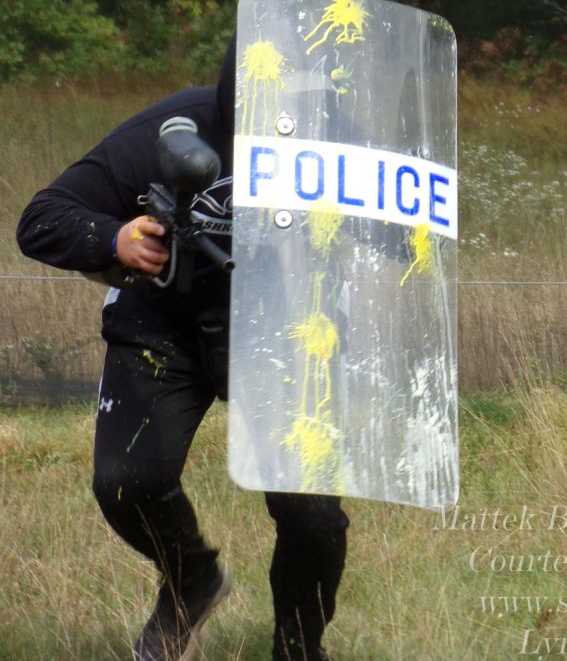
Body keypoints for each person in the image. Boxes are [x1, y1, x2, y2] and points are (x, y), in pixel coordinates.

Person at [15, 37, 346, 661]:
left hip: (286, 328)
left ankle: (300, 649)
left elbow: (408, 227)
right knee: (126, 483)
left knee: (313, 515)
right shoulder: (168, 132)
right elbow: (42, 217)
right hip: (164, 323)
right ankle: (191, 578)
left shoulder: (340, 143)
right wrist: (114, 238)